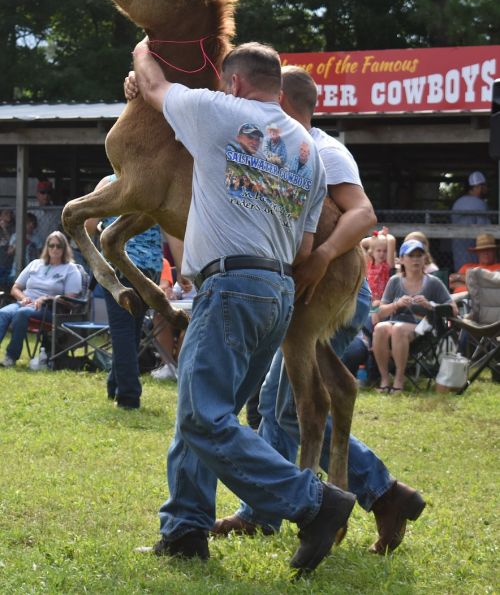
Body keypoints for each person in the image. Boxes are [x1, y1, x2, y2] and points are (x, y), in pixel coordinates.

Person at [131, 39, 355, 573]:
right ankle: (185, 529)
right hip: (277, 293)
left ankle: (313, 502)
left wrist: (143, 47)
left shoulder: (219, 113)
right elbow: (304, 249)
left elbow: (156, 87)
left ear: (233, 83)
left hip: (230, 286)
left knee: (203, 416)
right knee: (203, 411)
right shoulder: (306, 147)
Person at [213, 66, 426, 555]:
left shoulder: (321, 148)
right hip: (313, 286)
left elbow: (364, 214)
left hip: (330, 286)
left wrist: (322, 257)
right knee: (283, 404)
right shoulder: (281, 146)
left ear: (281, 99)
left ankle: (373, 495)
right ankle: (284, 506)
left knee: (289, 409)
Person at [85, 174, 163, 410]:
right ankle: (114, 384)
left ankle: (129, 395)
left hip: (119, 264)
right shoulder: (157, 183)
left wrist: (100, 231)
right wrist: (181, 271)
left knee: (121, 331)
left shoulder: (110, 182)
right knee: (133, 329)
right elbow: (170, 230)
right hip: (150, 269)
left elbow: (88, 223)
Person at [372, 238, 457, 394]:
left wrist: (429, 305)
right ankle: (384, 379)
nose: (416, 259)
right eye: (411, 255)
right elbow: (380, 312)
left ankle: (399, 379)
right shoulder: (394, 281)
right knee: (380, 328)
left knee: (398, 329)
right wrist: (396, 304)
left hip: (424, 328)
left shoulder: (433, 282)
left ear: (425, 258)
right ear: (402, 260)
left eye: (419, 255)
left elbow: (453, 310)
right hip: (396, 323)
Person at [0, 231, 81, 367]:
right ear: (47, 247)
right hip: (26, 303)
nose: (54, 249)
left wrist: (46, 299)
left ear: (64, 248)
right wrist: (24, 298)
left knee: (21, 314)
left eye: (58, 246)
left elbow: (70, 299)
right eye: (51, 245)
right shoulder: (35, 264)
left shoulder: (71, 269)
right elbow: (16, 288)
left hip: (50, 310)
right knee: (2, 313)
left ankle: (10, 357)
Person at [451, 171, 490, 270]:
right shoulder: (480, 204)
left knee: (461, 274)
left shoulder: (457, 203)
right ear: (478, 187)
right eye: (484, 186)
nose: (486, 189)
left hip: (458, 247)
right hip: (475, 249)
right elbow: (485, 230)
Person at [361, 227, 396, 306]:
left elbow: (391, 240)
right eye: (378, 250)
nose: (382, 254)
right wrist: (376, 237)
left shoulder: (388, 265)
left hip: (383, 304)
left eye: (385, 251)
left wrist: (385, 236)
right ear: (372, 252)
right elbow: (361, 243)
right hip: (369, 302)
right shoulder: (368, 263)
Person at [8, 212, 42, 280]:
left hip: (32, 269)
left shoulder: (37, 238)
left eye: (33, 223)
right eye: (29, 223)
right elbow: (9, 252)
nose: (31, 225)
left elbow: (39, 255)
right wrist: (18, 244)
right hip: (17, 269)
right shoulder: (15, 236)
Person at [0, 208, 15, 287]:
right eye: (6, 213)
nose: (9, 215)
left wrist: (4, 229)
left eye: (10, 213)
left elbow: (12, 242)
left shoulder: (13, 227)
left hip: (10, 261)